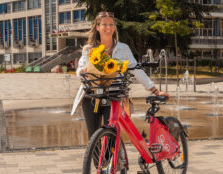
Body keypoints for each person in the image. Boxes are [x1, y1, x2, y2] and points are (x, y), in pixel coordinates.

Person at [71, 11, 169, 139]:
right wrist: (85, 70)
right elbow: (79, 72)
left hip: (114, 96)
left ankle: (111, 158)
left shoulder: (123, 48)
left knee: (111, 135)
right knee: (93, 137)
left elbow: (136, 69)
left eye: (111, 24)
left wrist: (155, 90)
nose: (108, 27)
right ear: (97, 27)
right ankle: (96, 160)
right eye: (104, 24)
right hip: (91, 96)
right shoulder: (89, 49)